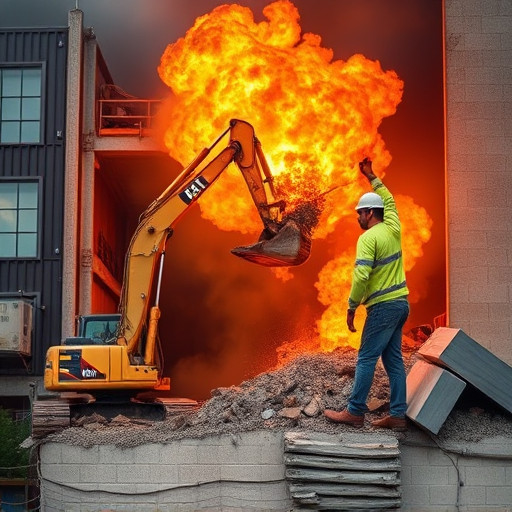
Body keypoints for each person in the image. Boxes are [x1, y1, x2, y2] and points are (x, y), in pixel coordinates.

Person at [324, 157, 410, 431]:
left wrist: (351, 307)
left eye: (360, 213)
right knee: (394, 360)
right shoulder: (394, 227)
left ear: (370, 213)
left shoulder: (368, 238)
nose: (358, 218)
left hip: (383, 308)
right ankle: (397, 416)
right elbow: (390, 199)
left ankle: (355, 412)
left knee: (366, 358)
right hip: (401, 305)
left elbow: (361, 276)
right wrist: (372, 176)